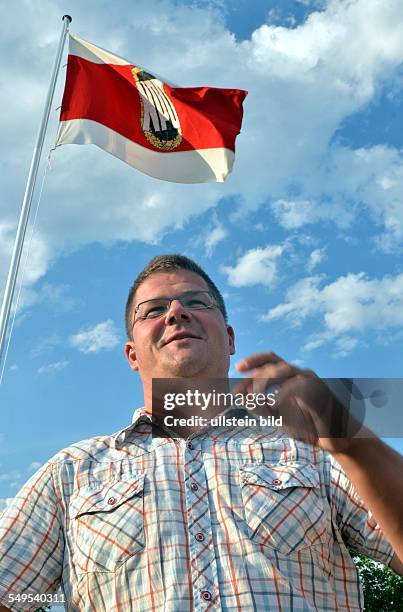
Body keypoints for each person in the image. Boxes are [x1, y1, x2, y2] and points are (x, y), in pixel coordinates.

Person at [0, 254, 402, 612]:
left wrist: (350, 438)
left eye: (196, 302)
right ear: (132, 355)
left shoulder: (310, 452)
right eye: (153, 310)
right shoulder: (71, 473)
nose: (176, 313)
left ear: (229, 338)